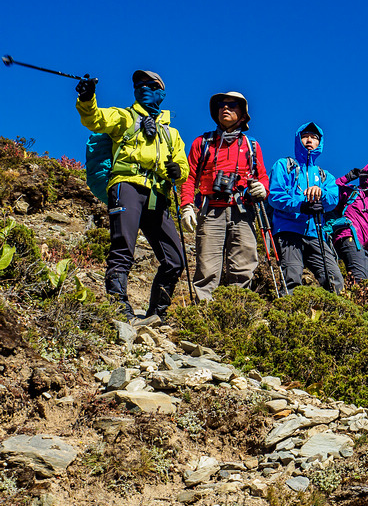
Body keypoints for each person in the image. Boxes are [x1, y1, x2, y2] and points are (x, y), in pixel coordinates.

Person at [75, 70, 189, 322]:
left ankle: (157, 314)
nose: (144, 87)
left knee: (175, 260)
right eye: (139, 84)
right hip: (126, 186)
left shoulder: (171, 134)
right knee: (123, 248)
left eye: (151, 84)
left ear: (161, 92)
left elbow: (183, 168)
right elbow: (95, 119)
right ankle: (119, 308)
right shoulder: (125, 117)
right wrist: (87, 98)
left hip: (157, 195)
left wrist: (178, 171)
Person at [180, 92, 268, 301]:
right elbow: (189, 177)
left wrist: (263, 189)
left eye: (232, 105)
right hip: (210, 211)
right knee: (207, 269)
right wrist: (187, 206)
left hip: (242, 212)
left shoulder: (251, 146)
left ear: (243, 115)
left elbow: (262, 177)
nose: (225, 108)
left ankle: (237, 312)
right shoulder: (202, 142)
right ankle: (204, 314)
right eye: (221, 105)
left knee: (243, 268)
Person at [267, 122, 344, 293]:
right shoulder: (284, 165)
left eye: (314, 137)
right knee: (292, 277)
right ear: (298, 139)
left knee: (334, 280)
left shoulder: (325, 176)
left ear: (319, 143)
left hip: (316, 233)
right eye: (305, 136)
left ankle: (334, 309)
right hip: (288, 230)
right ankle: (288, 309)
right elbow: (275, 195)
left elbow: (333, 199)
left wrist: (320, 194)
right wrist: (301, 206)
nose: (309, 140)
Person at [331, 163, 368, 285]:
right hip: (349, 236)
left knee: (361, 281)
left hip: (365, 248)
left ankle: (348, 295)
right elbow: (330, 191)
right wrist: (347, 178)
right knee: (359, 279)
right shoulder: (352, 192)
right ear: (366, 174)